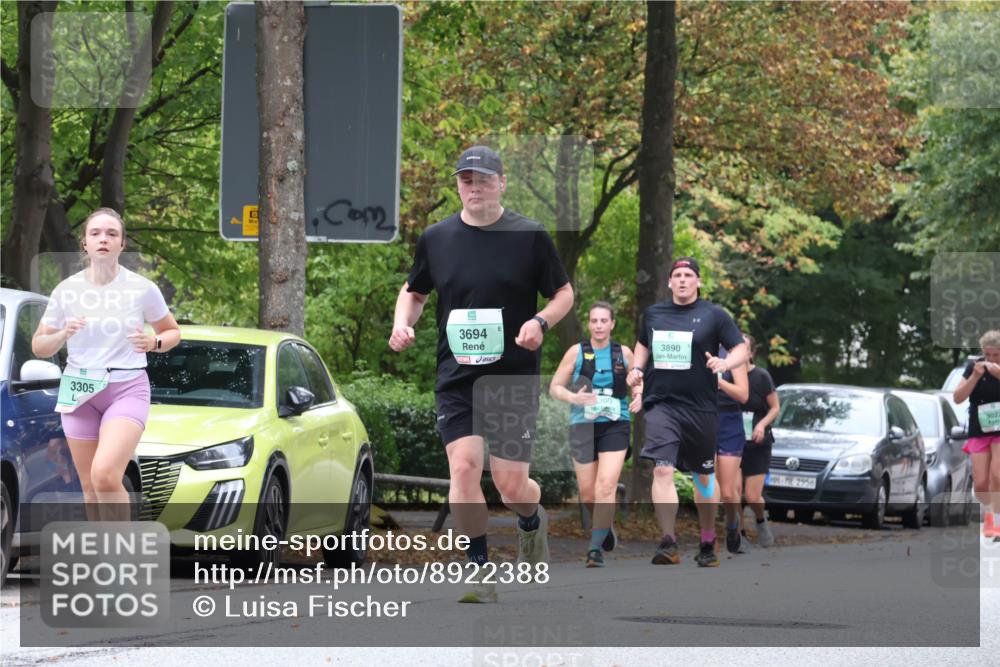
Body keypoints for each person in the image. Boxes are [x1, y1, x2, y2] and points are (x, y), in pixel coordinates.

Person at [389, 146, 573, 602]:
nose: (474, 187)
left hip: (511, 376)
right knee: (465, 468)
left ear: (502, 183)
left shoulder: (529, 236)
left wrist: (540, 322)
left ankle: (532, 518)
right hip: (458, 376)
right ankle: (478, 569)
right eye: (466, 179)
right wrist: (402, 323)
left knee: (512, 485)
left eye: (483, 179)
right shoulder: (437, 237)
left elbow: (564, 293)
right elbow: (414, 291)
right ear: (458, 185)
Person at [31, 208, 180, 521]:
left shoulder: (142, 289)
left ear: (122, 244)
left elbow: (172, 332)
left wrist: (153, 343)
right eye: (95, 233)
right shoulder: (67, 290)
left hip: (126, 388)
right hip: (79, 388)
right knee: (89, 485)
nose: (103, 239)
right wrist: (62, 333)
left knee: (105, 475)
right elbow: (39, 346)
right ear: (84, 243)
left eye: (112, 234)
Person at [627, 257, 749, 568]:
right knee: (662, 469)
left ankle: (708, 539)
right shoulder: (654, 314)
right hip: (662, 404)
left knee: (704, 476)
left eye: (688, 275)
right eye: (677, 275)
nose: (682, 280)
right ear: (669, 282)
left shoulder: (714, 315)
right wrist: (636, 370)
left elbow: (740, 349)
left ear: (698, 282)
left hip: (701, 408)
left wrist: (725, 364)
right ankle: (669, 541)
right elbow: (642, 346)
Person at [549, 301, 642, 567]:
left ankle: (594, 548)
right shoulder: (576, 352)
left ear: (612, 324)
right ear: (589, 324)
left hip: (615, 424)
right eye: (594, 321)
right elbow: (555, 387)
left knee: (606, 486)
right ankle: (605, 528)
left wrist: (638, 396)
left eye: (604, 321)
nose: (599, 325)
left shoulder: (623, 353)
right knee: (588, 494)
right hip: (582, 425)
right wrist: (572, 397)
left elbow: (638, 382)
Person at [953, 329, 1000, 541]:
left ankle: (996, 522)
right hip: (979, 428)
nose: (990, 360)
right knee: (981, 483)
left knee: (997, 475)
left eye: (996, 355)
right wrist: (975, 376)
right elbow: (958, 397)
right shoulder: (974, 367)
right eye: (987, 355)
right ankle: (989, 512)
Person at [738, 333, 780, 547]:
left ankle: (761, 521)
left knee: (752, 496)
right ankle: (738, 534)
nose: (737, 350)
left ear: (751, 353)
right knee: (732, 492)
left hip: (757, 443)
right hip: (732, 442)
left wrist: (762, 425)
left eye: (743, 347)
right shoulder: (726, 375)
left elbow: (775, 407)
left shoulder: (761, 376)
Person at [715, 344, 749, 554]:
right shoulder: (693, 349)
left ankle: (732, 524)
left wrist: (719, 382)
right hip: (703, 419)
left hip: (729, 422)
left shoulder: (733, 354)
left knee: (728, 493)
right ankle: (707, 536)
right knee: (707, 485)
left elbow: (743, 394)